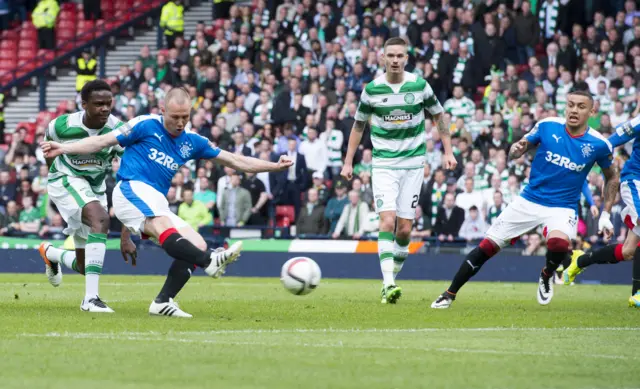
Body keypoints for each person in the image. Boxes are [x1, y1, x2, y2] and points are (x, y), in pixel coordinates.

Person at [41, 87, 293, 317]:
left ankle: (163, 301)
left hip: (153, 200)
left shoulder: (193, 142)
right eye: (175, 117)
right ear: (162, 111)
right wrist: (64, 149)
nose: (181, 122)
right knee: (166, 229)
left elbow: (236, 161)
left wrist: (274, 167)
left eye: (185, 116)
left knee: (196, 242)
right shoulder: (144, 124)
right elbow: (101, 141)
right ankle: (210, 261)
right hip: (130, 189)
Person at [430, 90, 619, 309]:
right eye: (570, 105)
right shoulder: (548, 125)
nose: (574, 110)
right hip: (529, 200)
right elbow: (515, 151)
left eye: (581, 106)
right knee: (486, 247)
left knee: (558, 244)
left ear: (592, 111)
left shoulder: (599, 144)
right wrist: (515, 151)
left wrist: (605, 213)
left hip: (562, 206)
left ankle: (547, 274)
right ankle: (449, 293)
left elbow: (612, 177)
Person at [341, 37, 456, 304]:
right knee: (387, 220)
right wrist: (348, 161)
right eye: (390, 55)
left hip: (414, 163)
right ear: (382, 58)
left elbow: (439, 115)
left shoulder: (418, 85)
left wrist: (448, 151)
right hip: (383, 163)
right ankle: (388, 283)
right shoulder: (372, 89)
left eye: (399, 56)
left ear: (406, 58)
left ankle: (393, 274)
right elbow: (358, 126)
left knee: (404, 229)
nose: (395, 60)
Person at [37, 80, 134, 313]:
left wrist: (126, 233)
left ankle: (51, 254)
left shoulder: (118, 131)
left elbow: (131, 174)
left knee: (84, 265)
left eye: (108, 103)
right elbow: (49, 145)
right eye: (99, 104)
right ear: (84, 104)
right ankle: (91, 300)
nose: (105, 108)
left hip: (95, 188)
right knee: (101, 219)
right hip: (66, 179)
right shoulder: (61, 125)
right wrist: (53, 171)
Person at [563, 115, 640, 307]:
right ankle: (638, 294)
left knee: (629, 250)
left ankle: (581, 260)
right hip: (635, 180)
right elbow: (613, 140)